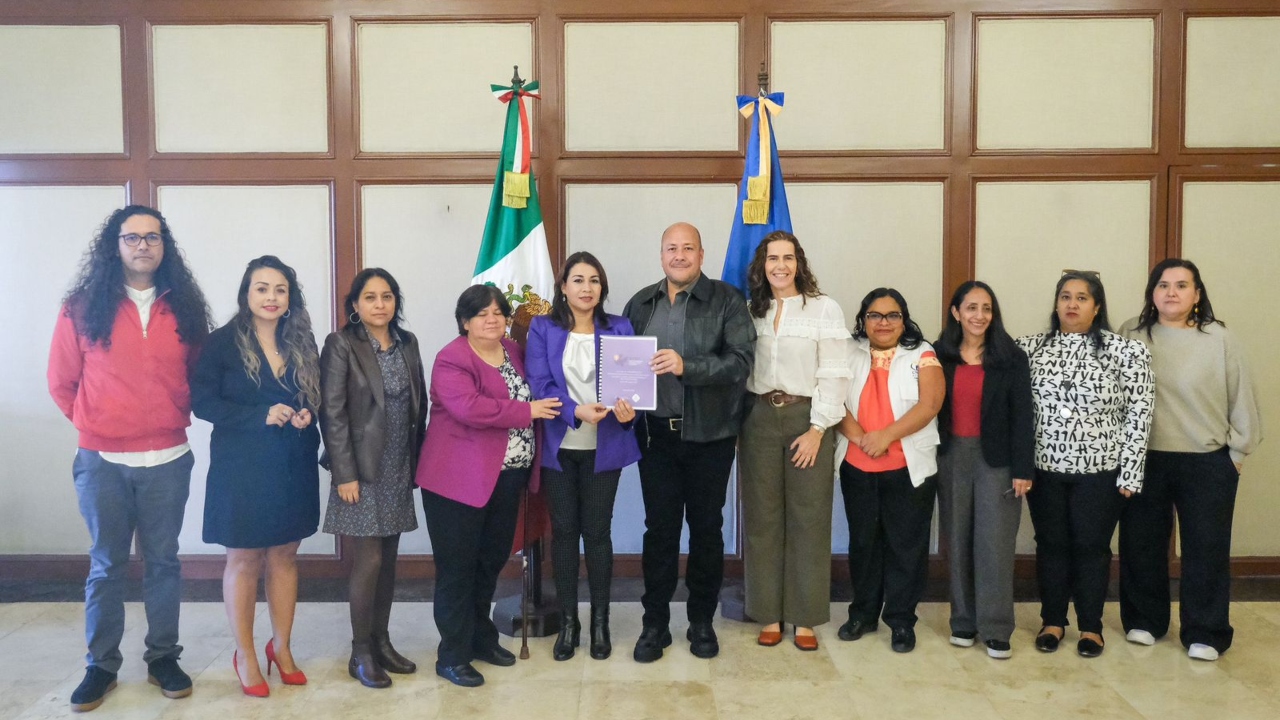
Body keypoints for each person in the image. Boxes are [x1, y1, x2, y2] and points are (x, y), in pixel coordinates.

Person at [48, 205, 212, 712]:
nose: (143, 245)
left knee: (163, 563)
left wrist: (167, 413)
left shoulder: (183, 306)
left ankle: (164, 656)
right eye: (132, 237)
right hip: (103, 461)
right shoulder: (81, 306)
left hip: (168, 456)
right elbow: (62, 382)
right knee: (106, 566)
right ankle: (101, 666)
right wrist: (100, 423)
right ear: (114, 245)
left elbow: (199, 376)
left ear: (165, 247)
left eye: (153, 237)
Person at [622, 221, 755, 662]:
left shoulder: (727, 301)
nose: (679, 256)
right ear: (661, 255)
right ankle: (654, 623)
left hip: (709, 437)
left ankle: (701, 621)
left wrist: (687, 366)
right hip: (655, 437)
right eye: (671, 248)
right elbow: (623, 365)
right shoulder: (641, 303)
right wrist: (620, 402)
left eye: (688, 248)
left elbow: (740, 363)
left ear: (702, 254)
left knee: (706, 531)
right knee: (658, 532)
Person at [416, 284, 560, 687]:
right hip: (455, 481)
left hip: (507, 477)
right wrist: (527, 410)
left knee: (489, 563)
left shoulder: (514, 351)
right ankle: (452, 654)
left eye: (499, 311)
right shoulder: (452, 357)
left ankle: (481, 639)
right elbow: (469, 408)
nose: (493, 318)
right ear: (465, 321)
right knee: (457, 569)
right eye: (482, 313)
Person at [1118, 259, 1262, 661]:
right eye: (1163, 285)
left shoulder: (1219, 339)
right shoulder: (1131, 332)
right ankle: (1145, 620)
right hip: (1144, 459)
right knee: (1141, 544)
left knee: (1206, 549)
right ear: (1152, 292)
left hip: (1207, 461)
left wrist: (1236, 453)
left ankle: (1206, 631)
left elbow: (1242, 398)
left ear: (1197, 294)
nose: (1171, 292)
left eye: (1182, 285)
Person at [191, 255, 322, 696]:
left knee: (286, 554)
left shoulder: (303, 341)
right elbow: (203, 404)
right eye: (262, 288)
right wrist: (259, 414)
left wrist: (307, 413)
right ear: (247, 294)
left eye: (280, 289)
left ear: (290, 297)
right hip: (242, 467)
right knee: (245, 559)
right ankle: (245, 654)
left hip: (292, 464)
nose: (271, 297)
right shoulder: (222, 343)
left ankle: (280, 647)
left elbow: (316, 396)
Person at [1015, 270, 1153, 658]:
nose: (1071, 304)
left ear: (1097, 307)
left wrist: (1131, 472)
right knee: (1051, 545)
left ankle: (1091, 627)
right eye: (1065, 296)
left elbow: (1139, 414)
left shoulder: (1126, 351)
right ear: (1056, 303)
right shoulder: (1027, 349)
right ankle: (1053, 622)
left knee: (1092, 547)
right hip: (1044, 469)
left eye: (1081, 298)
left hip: (1102, 472)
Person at [526, 252, 641, 661]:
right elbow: (538, 384)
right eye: (578, 280)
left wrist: (629, 410)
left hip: (603, 447)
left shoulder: (621, 327)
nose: (586, 288)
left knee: (597, 533)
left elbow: (634, 386)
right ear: (563, 287)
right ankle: (569, 624)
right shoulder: (542, 329)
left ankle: (600, 623)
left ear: (602, 288)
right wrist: (575, 410)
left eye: (594, 280)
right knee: (564, 533)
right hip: (560, 446)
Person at [740, 231, 851, 651]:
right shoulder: (751, 310)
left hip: (809, 417)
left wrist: (819, 427)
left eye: (788, 257)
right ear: (762, 265)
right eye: (772, 258)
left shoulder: (823, 309)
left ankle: (804, 618)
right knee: (763, 518)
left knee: (809, 516)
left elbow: (835, 371)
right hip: (758, 417)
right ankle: (768, 613)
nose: (780, 266)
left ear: (799, 262)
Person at [319, 268, 427, 687]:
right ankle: (360, 651)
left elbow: (421, 403)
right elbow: (333, 413)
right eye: (370, 297)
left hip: (400, 464)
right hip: (360, 471)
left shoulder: (408, 343)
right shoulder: (342, 344)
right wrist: (344, 473)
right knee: (370, 560)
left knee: (389, 562)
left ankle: (382, 642)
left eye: (387, 296)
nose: (380, 304)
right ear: (355, 305)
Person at [836, 288, 944, 654]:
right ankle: (862, 614)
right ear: (863, 319)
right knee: (864, 543)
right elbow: (832, 398)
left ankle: (900, 621)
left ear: (904, 318)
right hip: (858, 462)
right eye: (875, 315)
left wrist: (886, 436)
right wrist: (863, 438)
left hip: (907, 464)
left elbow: (930, 403)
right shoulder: (847, 351)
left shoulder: (922, 352)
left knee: (905, 545)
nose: (883, 323)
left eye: (892, 315)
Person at [933, 281, 1033, 659]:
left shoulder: (1010, 358)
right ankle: (962, 623)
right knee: (957, 541)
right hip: (950, 457)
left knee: (994, 545)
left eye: (986, 308)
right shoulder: (938, 355)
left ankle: (995, 628)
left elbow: (1024, 418)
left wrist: (1024, 469)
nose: (979, 316)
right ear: (956, 312)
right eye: (971, 308)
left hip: (999, 461)